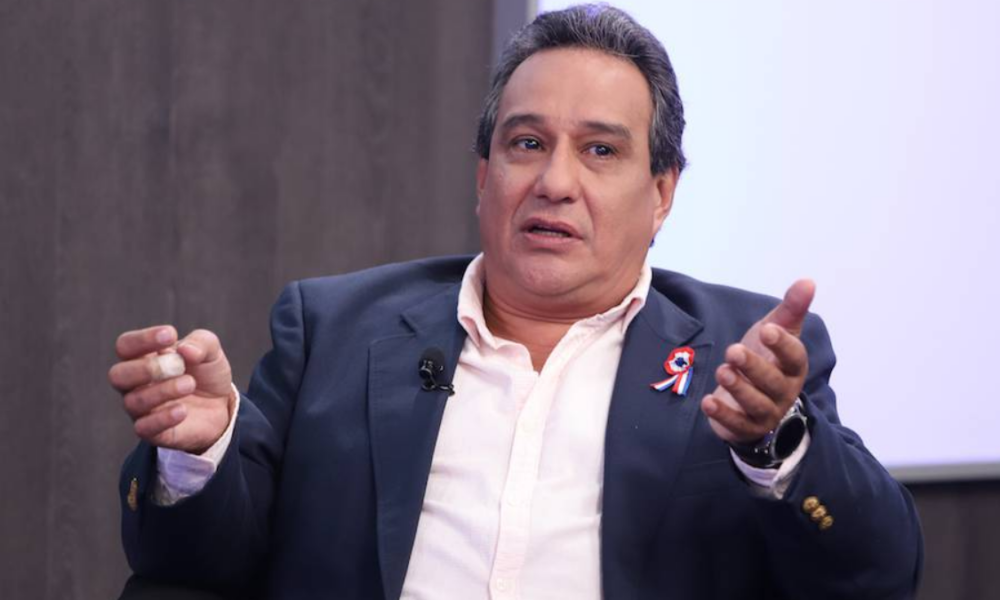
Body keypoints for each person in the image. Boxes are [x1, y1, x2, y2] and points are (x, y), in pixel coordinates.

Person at [109, 5, 923, 599]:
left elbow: (878, 572)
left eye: (599, 150)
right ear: (483, 176)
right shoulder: (333, 330)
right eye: (527, 144)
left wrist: (773, 442)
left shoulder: (740, 354)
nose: (555, 182)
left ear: (662, 193)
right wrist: (200, 452)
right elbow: (195, 565)